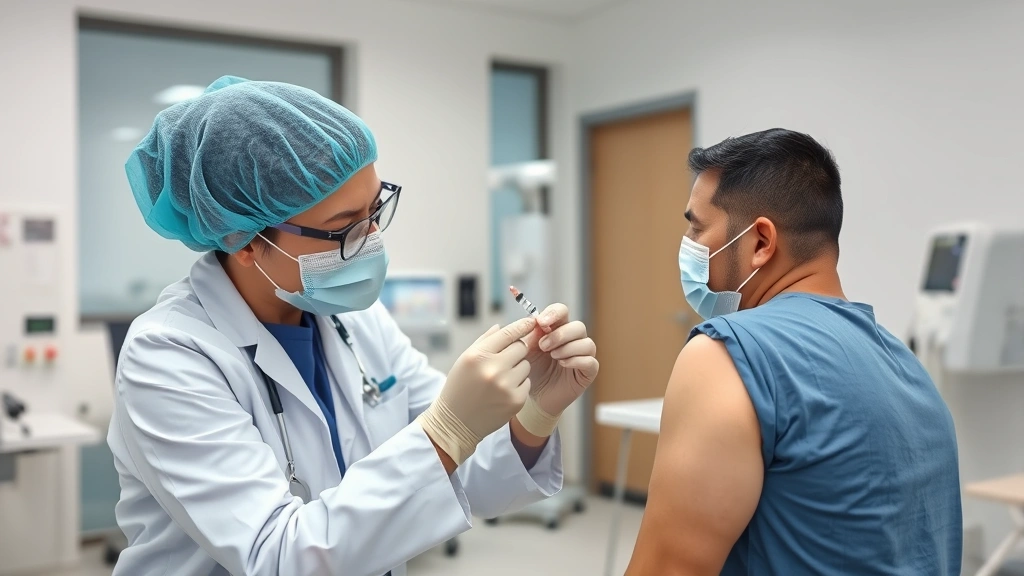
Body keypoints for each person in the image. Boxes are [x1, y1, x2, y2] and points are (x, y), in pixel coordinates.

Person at [107, 76, 599, 576]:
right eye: (344, 227)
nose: (372, 239)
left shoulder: (356, 320)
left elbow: (465, 477)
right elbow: (278, 557)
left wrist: (536, 411)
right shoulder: (167, 354)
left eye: (375, 209)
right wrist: (446, 429)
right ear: (246, 241)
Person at [625, 129, 961, 575]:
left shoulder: (726, 355)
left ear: (761, 242)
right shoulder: (907, 368)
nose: (688, 244)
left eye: (697, 227)